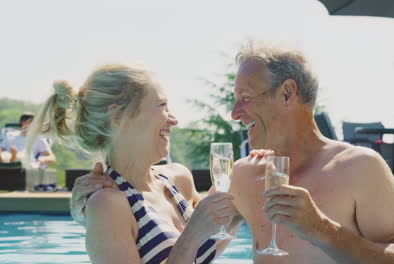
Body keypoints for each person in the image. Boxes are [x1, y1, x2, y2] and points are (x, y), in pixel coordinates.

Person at [71, 43, 394, 264]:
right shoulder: (244, 175)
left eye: (246, 98)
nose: (234, 113)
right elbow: (178, 228)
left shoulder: (361, 168)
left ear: (287, 94)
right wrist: (83, 210)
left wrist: (322, 230)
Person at [28, 63, 240, 264]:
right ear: (118, 116)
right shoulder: (107, 204)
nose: (173, 119)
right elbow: (195, 238)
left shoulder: (177, 178)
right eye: (161, 106)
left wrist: (239, 208)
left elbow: (207, 247)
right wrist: (191, 236)